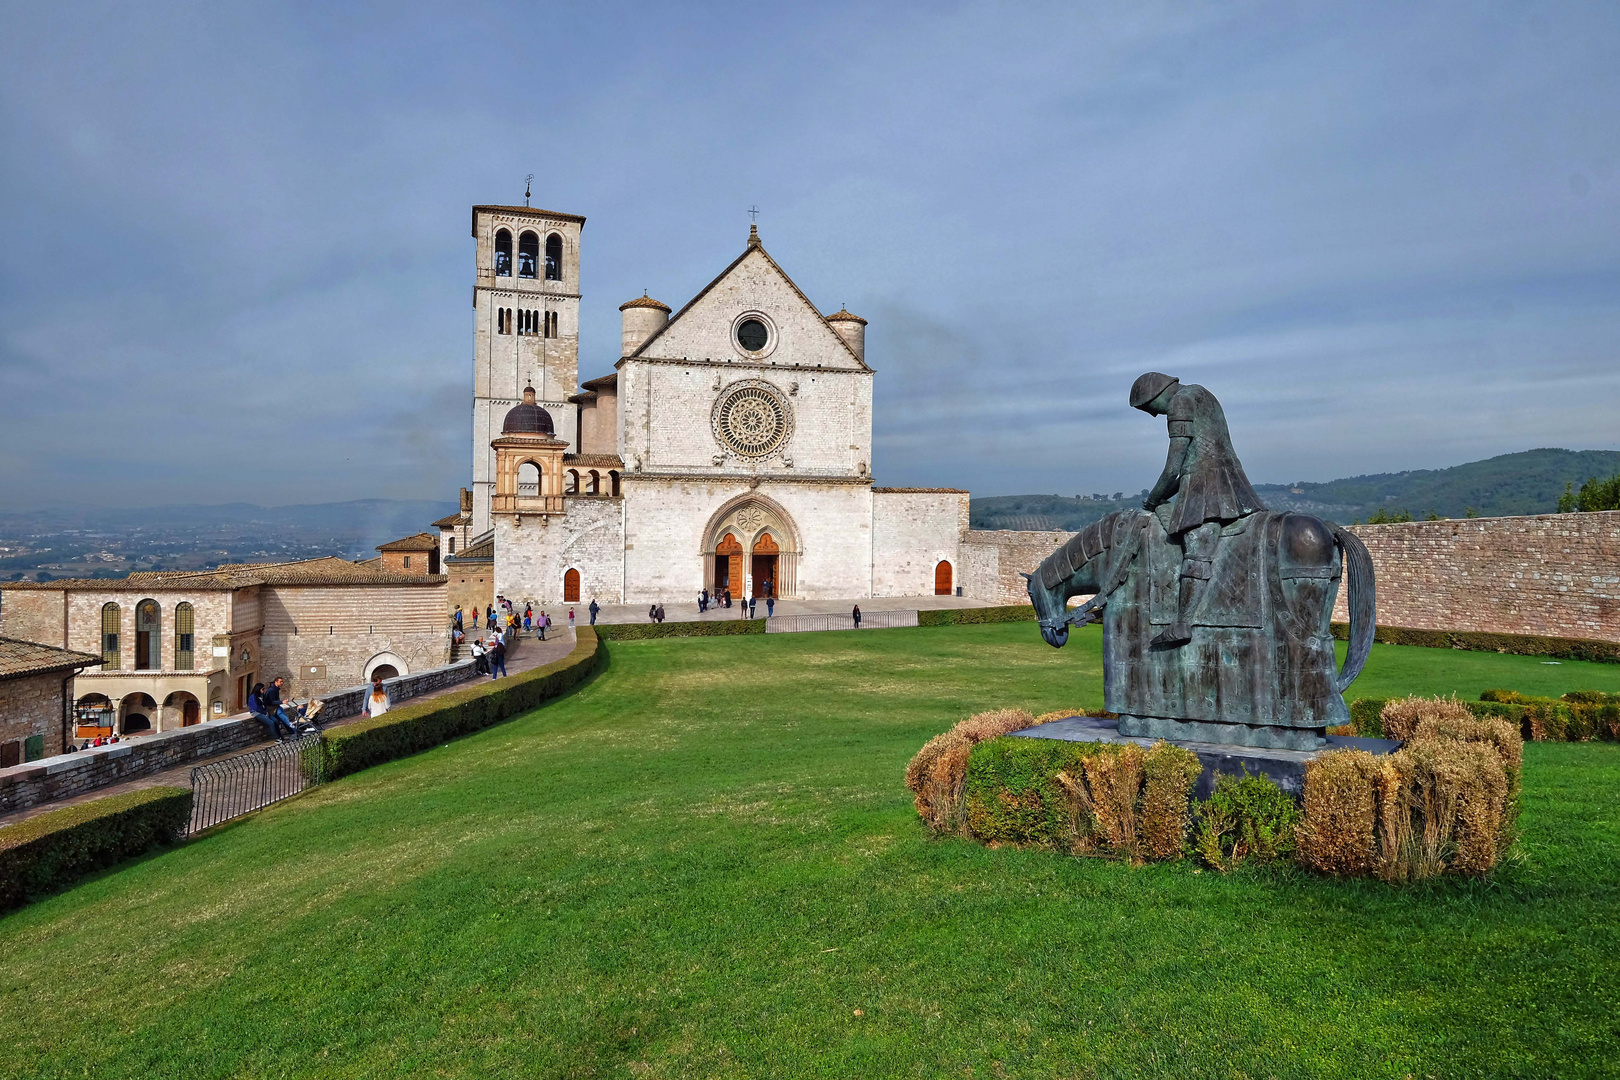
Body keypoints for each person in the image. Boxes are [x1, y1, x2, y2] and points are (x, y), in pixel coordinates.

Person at [1131, 371, 1266, 648]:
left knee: (1197, 552)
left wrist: (1153, 500)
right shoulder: (1201, 393)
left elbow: (1173, 469)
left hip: (1207, 487)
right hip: (1232, 482)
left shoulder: (1180, 403)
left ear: (1156, 396)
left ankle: (1182, 623)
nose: (1154, 415)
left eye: (1149, 409)